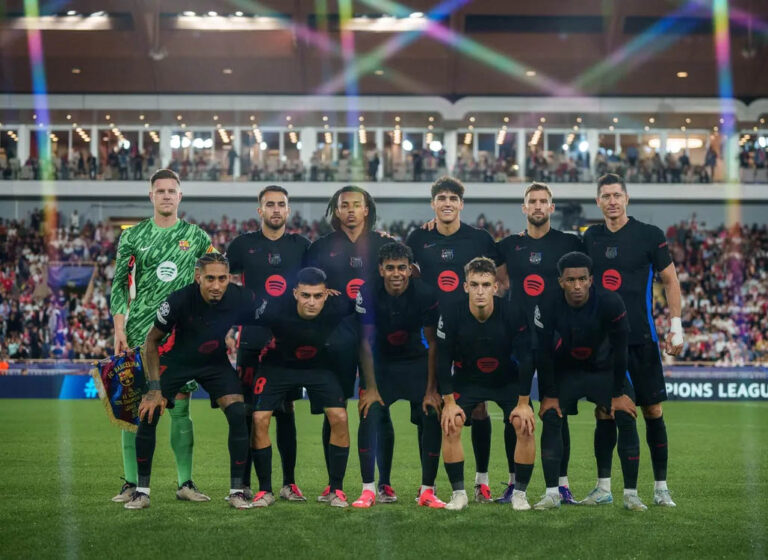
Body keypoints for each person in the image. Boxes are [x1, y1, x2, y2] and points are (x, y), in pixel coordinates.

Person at [110, 168, 215, 503]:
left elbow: (214, 279)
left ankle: (185, 484)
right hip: (140, 333)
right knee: (133, 411)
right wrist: (119, 328)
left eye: (172, 191)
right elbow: (119, 284)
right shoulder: (132, 236)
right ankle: (131, 484)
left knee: (180, 408)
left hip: (182, 335)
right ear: (151, 195)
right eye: (161, 190)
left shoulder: (197, 236)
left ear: (180, 196)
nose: (166, 195)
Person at [583, 173, 683, 507]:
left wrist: (676, 326)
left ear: (627, 198)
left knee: (652, 410)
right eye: (606, 196)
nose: (612, 201)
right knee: (605, 412)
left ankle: (661, 488)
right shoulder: (590, 238)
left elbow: (670, 280)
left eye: (617, 195)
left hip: (641, 338)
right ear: (598, 201)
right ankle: (603, 488)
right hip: (603, 342)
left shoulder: (649, 235)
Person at [126, 253, 252, 510]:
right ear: (198, 277)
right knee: (149, 412)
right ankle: (141, 492)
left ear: (229, 278)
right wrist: (154, 389)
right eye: (210, 278)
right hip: (178, 361)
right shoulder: (179, 300)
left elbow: (272, 313)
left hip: (215, 362)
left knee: (239, 413)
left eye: (222, 279)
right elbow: (151, 341)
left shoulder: (239, 297)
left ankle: (237, 492)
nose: (216, 285)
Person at [406, 176, 505, 503]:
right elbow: (409, 275)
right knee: (429, 405)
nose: (447, 203)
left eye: (452, 198)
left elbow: (500, 276)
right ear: (433, 204)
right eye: (441, 198)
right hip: (431, 336)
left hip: (471, 334)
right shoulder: (418, 237)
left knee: (479, 408)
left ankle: (481, 481)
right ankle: (428, 486)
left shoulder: (480, 238)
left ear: (461, 204)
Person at [535, 251, 645, 511]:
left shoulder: (611, 302)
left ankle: (628, 494)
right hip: (567, 371)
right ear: (561, 281)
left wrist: (618, 393)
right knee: (551, 415)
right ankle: (552, 494)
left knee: (626, 415)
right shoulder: (547, 303)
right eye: (570, 280)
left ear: (591, 280)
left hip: (604, 370)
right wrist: (549, 394)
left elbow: (621, 349)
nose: (577, 286)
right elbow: (542, 351)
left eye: (582, 279)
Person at [305, 185, 393, 502]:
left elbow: (402, 279)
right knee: (334, 410)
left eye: (357, 204)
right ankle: (334, 484)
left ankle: (384, 484)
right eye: (345, 205)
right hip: (334, 337)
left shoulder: (383, 245)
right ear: (337, 210)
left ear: (366, 209)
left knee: (379, 407)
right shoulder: (321, 247)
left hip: (375, 338)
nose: (351, 210)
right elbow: (304, 285)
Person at [496, 182, 583, 505]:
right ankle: (513, 483)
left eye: (542, 201)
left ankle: (561, 484)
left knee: (555, 412)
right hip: (517, 338)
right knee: (514, 413)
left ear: (551, 207)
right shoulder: (508, 246)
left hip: (555, 338)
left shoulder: (569, 243)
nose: (537, 206)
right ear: (524, 208)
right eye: (531, 201)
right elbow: (491, 277)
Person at [226, 185, 310, 501]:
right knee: (248, 412)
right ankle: (245, 483)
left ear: (288, 210)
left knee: (286, 411)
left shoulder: (302, 246)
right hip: (252, 340)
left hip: (288, 342)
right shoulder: (242, 245)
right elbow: (217, 276)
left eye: (281, 204)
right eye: (270, 204)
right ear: (260, 210)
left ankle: (289, 483)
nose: (276, 209)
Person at [249, 267, 353, 508]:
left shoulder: (339, 305)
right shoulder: (274, 308)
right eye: (305, 295)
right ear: (295, 293)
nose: (311, 302)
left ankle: (336, 490)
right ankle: (265, 490)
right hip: (279, 366)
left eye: (318, 296)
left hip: (319, 366)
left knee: (339, 416)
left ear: (326, 294)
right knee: (259, 418)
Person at [437, 257, 535, 511]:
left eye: (486, 285)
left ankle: (520, 494)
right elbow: (442, 359)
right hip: (468, 380)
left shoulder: (512, 312)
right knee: (451, 423)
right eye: (474, 285)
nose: (480, 291)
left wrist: (524, 403)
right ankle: (459, 494)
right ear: (465, 287)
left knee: (523, 423)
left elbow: (527, 358)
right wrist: (448, 402)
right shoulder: (451, 313)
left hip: (506, 380)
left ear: (496, 287)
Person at [351, 242, 444, 509]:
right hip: (381, 363)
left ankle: (427, 490)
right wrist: (370, 388)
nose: (396, 273)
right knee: (371, 412)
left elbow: (433, 343)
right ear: (381, 269)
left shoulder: (425, 293)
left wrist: (431, 390)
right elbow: (364, 341)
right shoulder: (367, 292)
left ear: (410, 270)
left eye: (402, 268)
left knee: (431, 413)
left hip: (415, 361)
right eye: (390, 268)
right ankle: (371, 489)